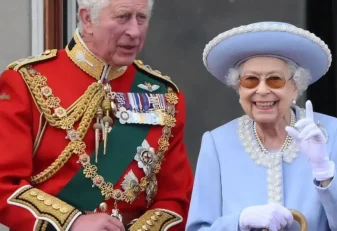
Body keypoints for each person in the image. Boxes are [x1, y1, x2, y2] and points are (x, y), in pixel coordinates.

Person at [0, 0, 194, 230]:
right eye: (123, 17)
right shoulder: (27, 82)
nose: (134, 31)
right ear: (87, 19)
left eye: (141, 18)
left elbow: (177, 198)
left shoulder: (165, 96)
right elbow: (4, 184)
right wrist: (71, 223)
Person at [186, 21, 337, 231]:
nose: (262, 90)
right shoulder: (216, 144)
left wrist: (324, 172)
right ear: (239, 88)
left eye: (275, 80)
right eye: (250, 80)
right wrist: (238, 221)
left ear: (296, 86)